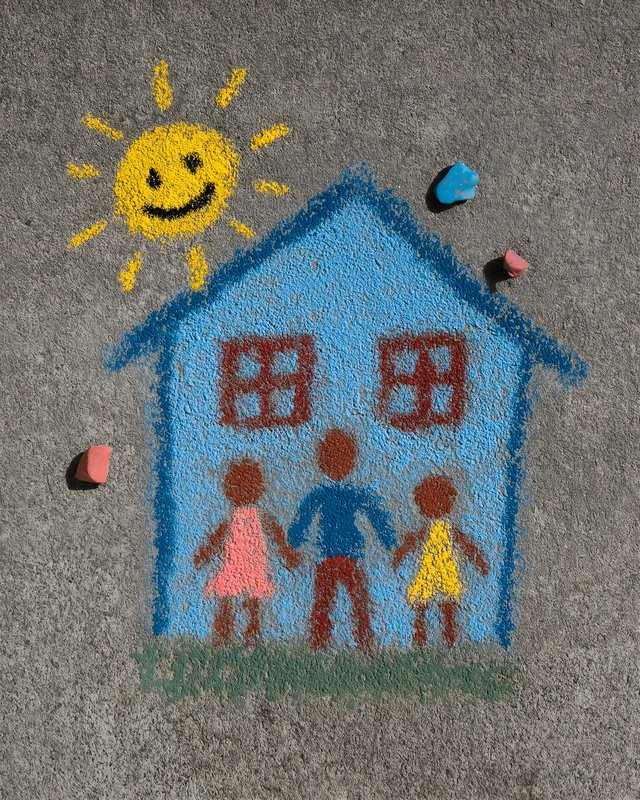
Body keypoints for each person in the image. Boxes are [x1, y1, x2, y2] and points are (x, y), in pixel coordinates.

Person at [288, 429, 397, 652]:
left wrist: (389, 541)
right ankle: (319, 642)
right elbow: (304, 517)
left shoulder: (355, 493)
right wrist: (294, 541)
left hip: (351, 558)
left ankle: (364, 642)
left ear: (352, 461)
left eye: (342, 459)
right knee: (324, 603)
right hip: (327, 558)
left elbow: (376, 515)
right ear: (322, 462)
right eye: (330, 459)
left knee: (359, 602)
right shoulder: (321, 494)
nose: (336, 465)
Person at [194, 458, 300, 645]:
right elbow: (217, 538)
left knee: (249, 604)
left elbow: (276, 535)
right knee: (230, 601)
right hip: (234, 566)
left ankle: (249, 633)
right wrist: (205, 553)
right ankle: (227, 634)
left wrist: (287, 553)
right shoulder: (235, 517)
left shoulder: (259, 517)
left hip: (251, 566)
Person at [393, 475, 489, 649]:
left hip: (442, 573)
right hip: (431, 573)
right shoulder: (433, 530)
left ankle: (444, 638)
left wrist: (480, 562)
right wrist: (399, 555)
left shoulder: (446, 530)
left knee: (443, 609)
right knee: (426, 607)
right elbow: (412, 543)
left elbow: (467, 546)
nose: (434, 507)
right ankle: (422, 637)